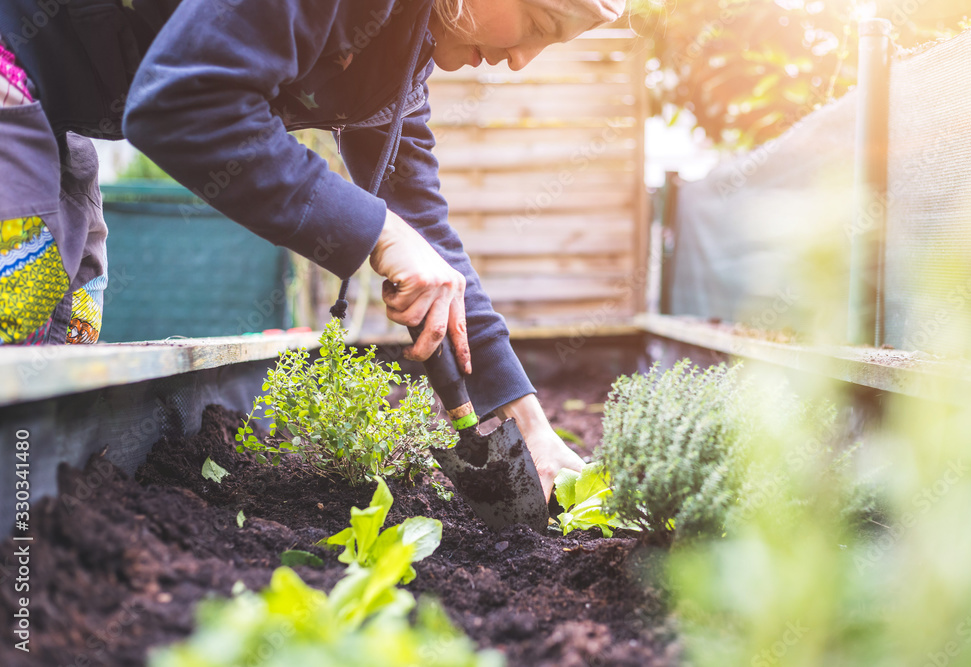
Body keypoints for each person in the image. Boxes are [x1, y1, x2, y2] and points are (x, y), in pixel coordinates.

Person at [0, 0, 624, 497]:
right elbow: (183, 105)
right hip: (14, 62)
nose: (523, 61)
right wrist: (379, 234)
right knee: (15, 339)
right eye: (538, 23)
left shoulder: (401, 46)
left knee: (54, 375)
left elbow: (424, 233)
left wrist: (526, 421)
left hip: (57, 108)